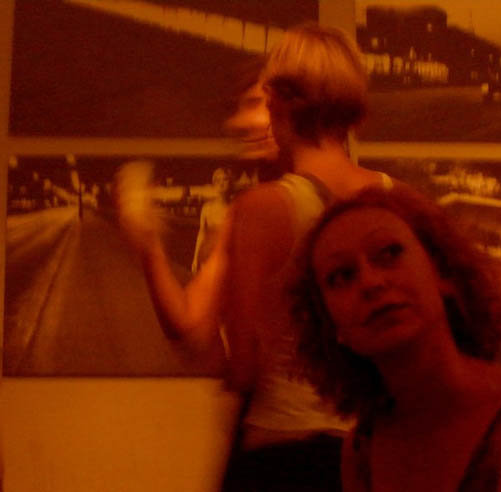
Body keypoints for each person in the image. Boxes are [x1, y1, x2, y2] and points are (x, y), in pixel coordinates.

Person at [115, 23, 399, 491]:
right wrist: (150, 248)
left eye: (257, 102)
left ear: (283, 103)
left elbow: (238, 367)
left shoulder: (257, 210)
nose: (242, 123)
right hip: (375, 450)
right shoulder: (397, 198)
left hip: (283, 447)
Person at [291, 187, 501, 492]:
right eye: (342, 276)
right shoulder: (362, 447)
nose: (370, 282)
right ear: (330, 324)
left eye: (390, 254)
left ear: (441, 272)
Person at [191, 167, 231, 274]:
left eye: (225, 179)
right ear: (214, 184)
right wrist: (195, 258)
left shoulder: (235, 208)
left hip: (227, 259)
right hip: (208, 257)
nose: (221, 183)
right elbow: (202, 233)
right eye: (218, 180)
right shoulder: (207, 208)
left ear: (230, 183)